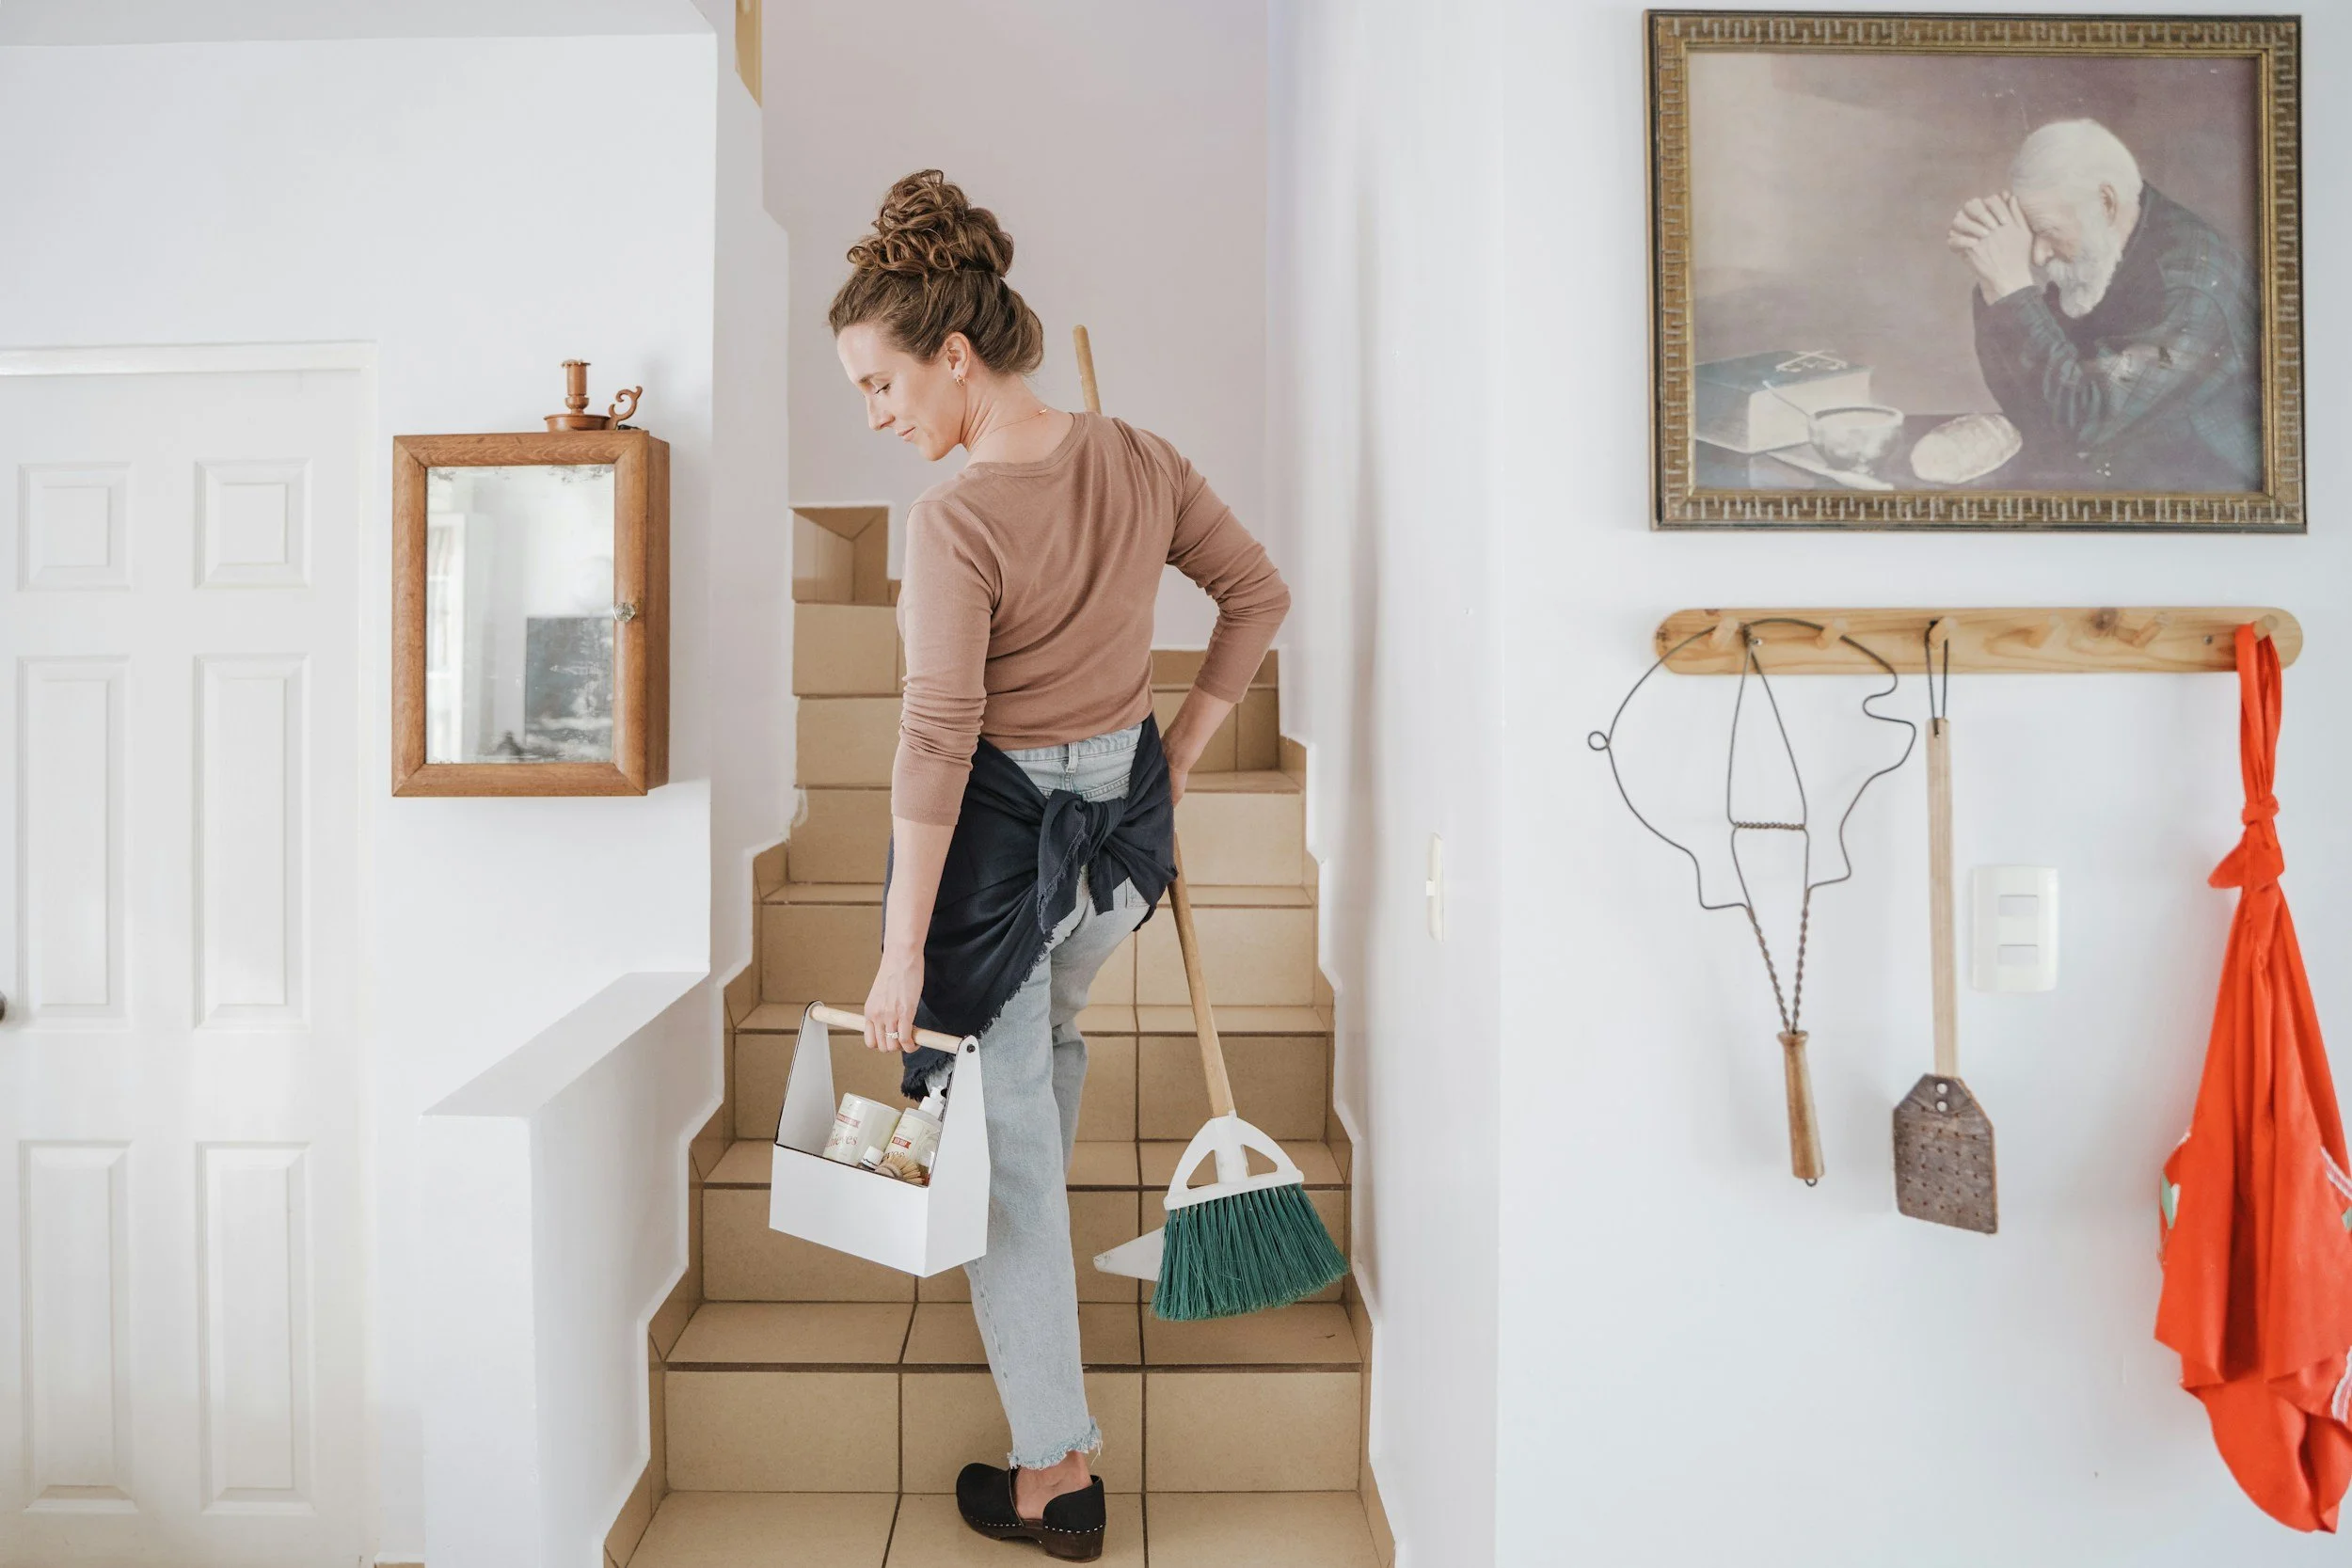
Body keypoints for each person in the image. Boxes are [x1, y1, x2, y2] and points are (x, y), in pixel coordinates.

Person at [829, 169, 1289, 1561]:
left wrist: (904, 949)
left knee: (1004, 1154)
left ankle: (1057, 1473)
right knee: (1043, 1060)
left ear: (952, 353)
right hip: (1119, 840)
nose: (877, 412)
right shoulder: (1139, 456)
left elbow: (936, 746)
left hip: (1004, 854)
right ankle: (1043, 1314)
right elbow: (1256, 592)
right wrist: (1186, 747)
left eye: (879, 382)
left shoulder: (957, 521)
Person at [1946, 118, 2261, 492]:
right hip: (2122, 472)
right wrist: (1994, 285)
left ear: (2106, 202)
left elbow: (2084, 421)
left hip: (2204, 495)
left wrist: (2011, 287)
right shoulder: (2101, 252)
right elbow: (2034, 402)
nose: (2039, 255)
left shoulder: (2189, 284)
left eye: (2045, 230)